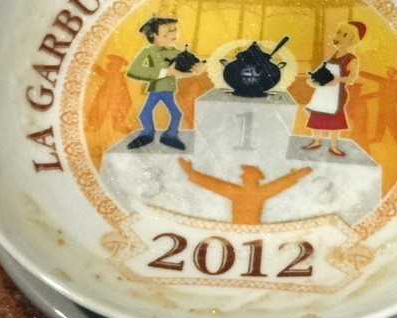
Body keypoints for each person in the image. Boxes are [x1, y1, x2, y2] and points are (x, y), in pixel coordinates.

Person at [126, 15, 204, 150]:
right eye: (167, 31)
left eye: (174, 29)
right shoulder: (149, 52)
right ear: (153, 35)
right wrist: (164, 73)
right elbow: (134, 71)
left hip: (169, 89)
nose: (173, 34)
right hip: (156, 89)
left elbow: (188, 66)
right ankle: (147, 134)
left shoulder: (176, 52)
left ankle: (170, 136)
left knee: (176, 114)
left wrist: (197, 68)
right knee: (145, 114)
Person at [179, 158, 312, 225]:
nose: (241, 177)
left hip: (247, 232)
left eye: (244, 175)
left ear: (251, 178)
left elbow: (280, 185)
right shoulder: (246, 192)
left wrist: (297, 175)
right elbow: (212, 184)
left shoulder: (251, 192)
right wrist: (191, 173)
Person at [303, 21, 366, 157]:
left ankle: (333, 146)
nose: (338, 37)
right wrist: (314, 80)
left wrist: (338, 80)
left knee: (334, 119)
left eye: (344, 35)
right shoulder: (333, 55)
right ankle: (316, 141)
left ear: (352, 40)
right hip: (323, 92)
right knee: (317, 115)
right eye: (338, 33)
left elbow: (351, 79)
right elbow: (323, 71)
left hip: (337, 94)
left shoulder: (352, 59)